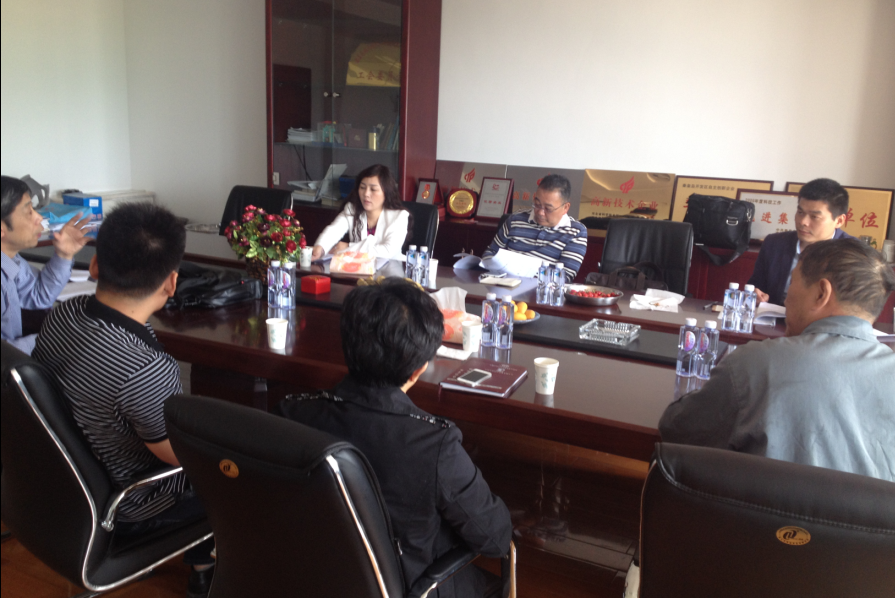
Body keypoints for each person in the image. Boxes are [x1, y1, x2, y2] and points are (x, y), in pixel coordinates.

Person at [274, 278, 512, 598]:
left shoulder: (291, 413)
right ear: (418, 369)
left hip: (313, 579)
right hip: (410, 587)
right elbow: (495, 538)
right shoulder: (434, 443)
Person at [32, 203, 215, 598]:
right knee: (232, 472)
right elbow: (180, 457)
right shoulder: (146, 368)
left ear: (95, 266)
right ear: (171, 283)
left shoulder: (64, 314)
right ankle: (207, 569)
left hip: (65, 483)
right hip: (127, 503)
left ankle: (203, 565)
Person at [659, 237, 895, 482]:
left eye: (792, 282)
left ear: (821, 294)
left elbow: (677, 430)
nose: (785, 299)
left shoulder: (755, 363)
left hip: (756, 508)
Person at [1, 175, 90, 354]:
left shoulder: (11, 259)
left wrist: (64, 255)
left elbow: (39, 296)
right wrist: (54, 338)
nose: (39, 217)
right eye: (28, 212)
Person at [748, 177, 853, 305]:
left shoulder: (854, 255)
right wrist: (756, 296)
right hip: (775, 316)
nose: (803, 222)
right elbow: (756, 287)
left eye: (815, 216)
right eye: (800, 212)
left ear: (839, 221)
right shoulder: (774, 244)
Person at [482, 173, 587, 281]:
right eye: (537, 204)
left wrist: (527, 279)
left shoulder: (576, 232)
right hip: (503, 284)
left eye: (548, 208)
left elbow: (565, 276)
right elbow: (491, 252)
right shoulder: (515, 219)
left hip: (541, 290)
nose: (540, 212)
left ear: (565, 207)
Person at [311, 164, 411, 260]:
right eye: (362, 187)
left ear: (386, 192)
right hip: (359, 268)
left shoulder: (399, 217)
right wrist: (320, 247)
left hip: (390, 269)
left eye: (373, 189)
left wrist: (349, 247)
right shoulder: (352, 209)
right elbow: (333, 231)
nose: (366, 194)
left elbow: (387, 251)